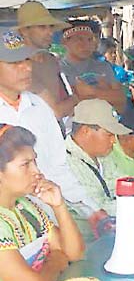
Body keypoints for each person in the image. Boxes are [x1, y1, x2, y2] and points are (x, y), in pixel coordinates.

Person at [0, 27, 109, 233]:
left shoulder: (39, 107)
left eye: (27, 60)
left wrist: (91, 209)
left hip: (48, 225)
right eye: (15, 63)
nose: (26, 68)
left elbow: (58, 168)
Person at [0, 124, 84, 281]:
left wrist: (59, 206)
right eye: (25, 165)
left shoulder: (26, 207)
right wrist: (54, 262)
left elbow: (73, 253)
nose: (37, 171)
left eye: (35, 162)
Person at [15, 0, 78, 120]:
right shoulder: (17, 66)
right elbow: (55, 112)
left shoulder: (50, 60)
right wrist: (77, 98)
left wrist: (71, 101)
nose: (50, 32)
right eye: (42, 27)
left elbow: (65, 102)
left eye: (51, 27)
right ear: (24, 31)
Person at [60, 20, 126, 113]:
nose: (86, 45)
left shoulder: (103, 66)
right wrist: (105, 93)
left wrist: (93, 91)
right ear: (65, 42)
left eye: (90, 40)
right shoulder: (58, 70)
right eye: (79, 39)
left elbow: (120, 101)